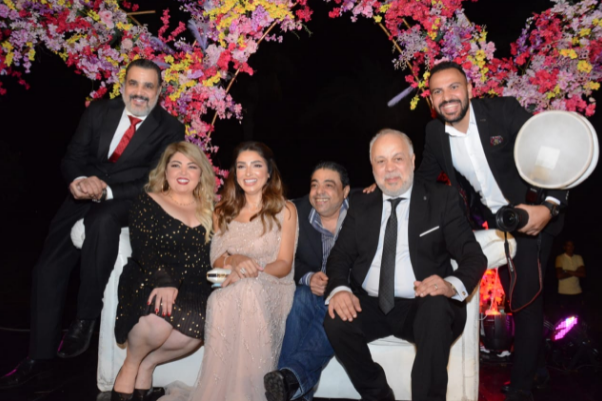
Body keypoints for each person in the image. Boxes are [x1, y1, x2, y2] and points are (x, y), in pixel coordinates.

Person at [0, 59, 185, 389]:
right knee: (46, 269)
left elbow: (154, 180)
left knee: (103, 220)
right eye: (134, 83)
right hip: (83, 193)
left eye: (148, 86)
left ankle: (85, 317)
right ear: (123, 85)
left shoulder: (170, 128)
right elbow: (73, 156)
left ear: (160, 91)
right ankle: (39, 359)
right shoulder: (99, 111)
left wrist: (107, 191)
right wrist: (79, 181)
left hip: (128, 198)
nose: (139, 92)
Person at [417, 61, 568, 401]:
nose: (447, 96)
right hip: (499, 226)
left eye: (453, 87)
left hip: (534, 214)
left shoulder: (503, 111)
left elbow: (551, 152)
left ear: (469, 89)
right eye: (438, 91)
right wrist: (382, 191)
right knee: (514, 295)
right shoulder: (435, 133)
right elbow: (423, 180)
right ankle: (539, 369)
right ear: (432, 100)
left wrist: (550, 206)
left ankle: (522, 387)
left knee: (525, 298)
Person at [323, 129, 487, 401]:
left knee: (435, 307)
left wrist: (450, 285)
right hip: (371, 304)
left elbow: (473, 256)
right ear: (372, 167)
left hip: (422, 305)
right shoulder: (361, 204)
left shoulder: (441, 199)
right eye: (381, 161)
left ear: (412, 161)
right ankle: (377, 394)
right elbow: (340, 256)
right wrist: (340, 289)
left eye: (397, 159)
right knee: (336, 320)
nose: (389, 168)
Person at [187, 141, 298, 401]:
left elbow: (284, 264)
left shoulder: (285, 210)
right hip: (233, 284)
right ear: (234, 173)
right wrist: (235, 260)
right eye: (241, 166)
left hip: (273, 285)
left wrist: (251, 271)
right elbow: (217, 259)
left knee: (248, 289)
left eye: (256, 165)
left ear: (268, 172)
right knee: (218, 299)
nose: (248, 173)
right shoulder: (222, 211)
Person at [109, 142, 215, 401]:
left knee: (205, 321)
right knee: (159, 316)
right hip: (150, 275)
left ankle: (148, 364)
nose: (183, 172)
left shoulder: (210, 210)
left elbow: (215, 254)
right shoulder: (148, 201)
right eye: (176, 165)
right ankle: (131, 364)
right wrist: (164, 281)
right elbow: (143, 248)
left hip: (194, 284)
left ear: (201, 174)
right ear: (165, 171)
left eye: (192, 166)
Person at [264, 161, 351, 401]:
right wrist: (309, 277)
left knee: (334, 307)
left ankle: (288, 379)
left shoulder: (362, 210)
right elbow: (286, 259)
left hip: (349, 292)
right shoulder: (296, 212)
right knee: (300, 297)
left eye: (329, 185)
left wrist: (339, 286)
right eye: (314, 184)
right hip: (311, 292)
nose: (319, 191)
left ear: (345, 191)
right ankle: (290, 384)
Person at [555, 240, 585, 317]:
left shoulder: (578, 257)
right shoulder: (560, 258)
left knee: (577, 316)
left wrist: (567, 271)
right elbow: (559, 276)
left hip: (577, 292)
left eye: (572, 246)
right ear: (564, 247)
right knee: (565, 317)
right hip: (564, 293)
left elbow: (583, 274)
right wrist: (576, 272)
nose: (570, 248)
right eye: (568, 245)